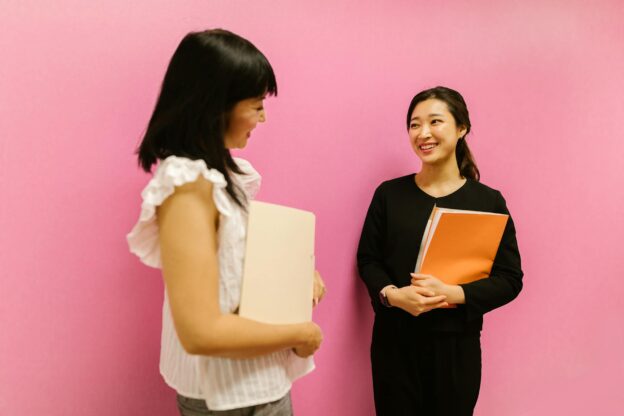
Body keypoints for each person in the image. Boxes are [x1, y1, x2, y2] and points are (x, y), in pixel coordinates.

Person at [127, 29, 325, 416]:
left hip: (257, 385)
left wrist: (299, 274)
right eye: (255, 104)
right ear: (215, 106)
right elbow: (201, 331)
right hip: (229, 400)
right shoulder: (185, 184)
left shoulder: (223, 175)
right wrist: (303, 334)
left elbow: (230, 266)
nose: (263, 117)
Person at [357, 86, 523, 416]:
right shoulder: (389, 194)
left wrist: (455, 293)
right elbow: (368, 260)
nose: (424, 133)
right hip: (395, 345)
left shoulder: (488, 202)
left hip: (455, 349)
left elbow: (510, 278)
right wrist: (392, 295)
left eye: (435, 122)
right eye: (415, 124)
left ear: (462, 128)